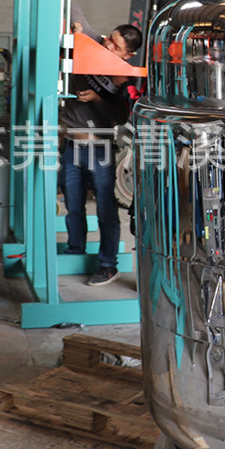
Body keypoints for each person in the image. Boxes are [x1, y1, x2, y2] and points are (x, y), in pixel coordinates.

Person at [60, 15, 142, 286]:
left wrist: (97, 99)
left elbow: (120, 117)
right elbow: (76, 13)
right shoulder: (95, 45)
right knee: (73, 205)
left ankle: (108, 266)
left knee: (105, 209)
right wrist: (76, 30)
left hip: (100, 148)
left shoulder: (124, 79)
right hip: (71, 144)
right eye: (110, 40)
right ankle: (75, 250)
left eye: (117, 48)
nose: (109, 47)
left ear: (128, 55)